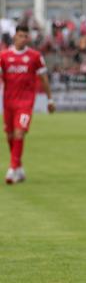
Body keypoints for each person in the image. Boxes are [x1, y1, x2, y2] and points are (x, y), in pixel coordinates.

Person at [1, 25, 55, 184]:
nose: (24, 39)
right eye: (21, 36)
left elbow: (44, 79)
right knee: (10, 135)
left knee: (19, 133)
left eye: (26, 36)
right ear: (14, 37)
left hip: (25, 102)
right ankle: (19, 168)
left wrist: (50, 100)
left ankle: (12, 169)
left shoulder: (35, 56)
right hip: (8, 102)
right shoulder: (3, 56)